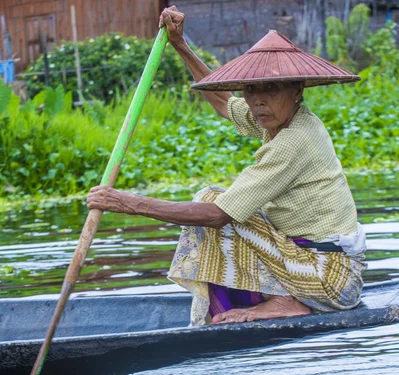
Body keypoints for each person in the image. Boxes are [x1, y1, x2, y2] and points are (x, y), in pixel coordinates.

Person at [87, 5, 367, 327]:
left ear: (297, 91)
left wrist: (126, 202)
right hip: (308, 266)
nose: (258, 100)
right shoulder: (277, 119)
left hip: (331, 280)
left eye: (271, 89)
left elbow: (220, 215)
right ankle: (279, 296)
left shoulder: (294, 140)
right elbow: (223, 103)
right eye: (251, 90)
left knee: (211, 202)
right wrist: (181, 45)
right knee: (216, 200)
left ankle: (283, 301)